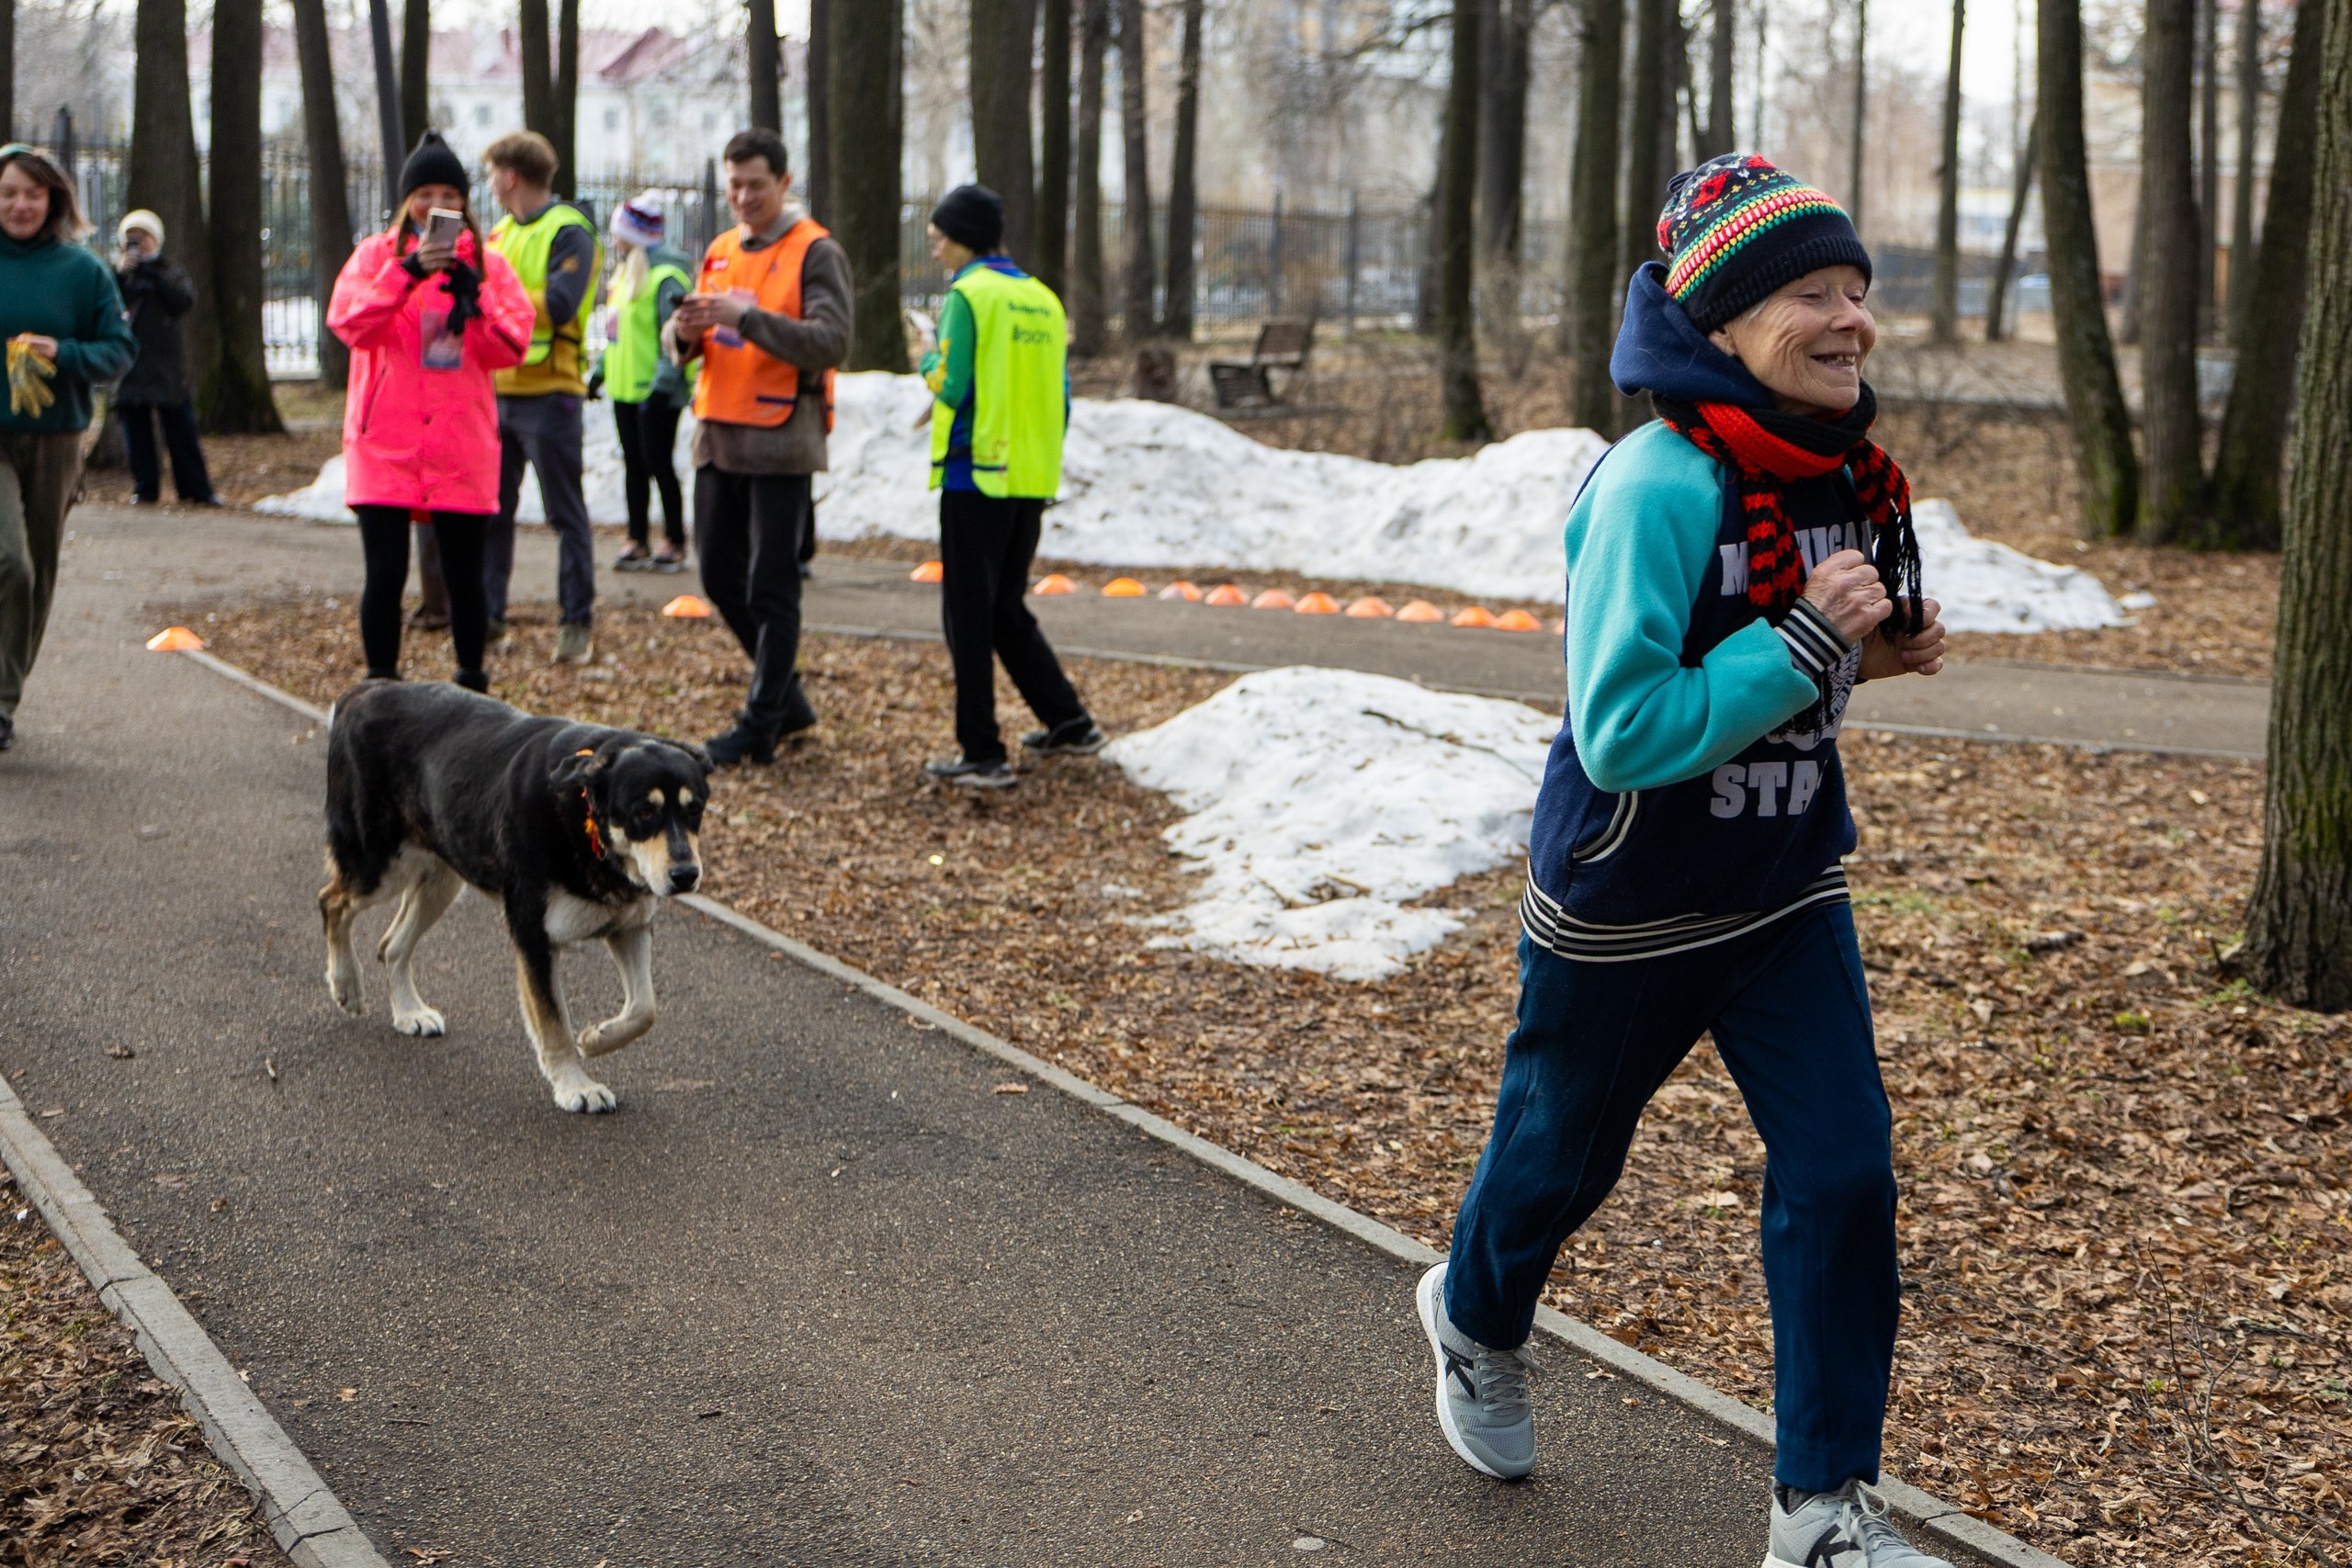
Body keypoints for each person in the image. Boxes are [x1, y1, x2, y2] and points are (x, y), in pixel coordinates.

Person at [1414, 153, 1956, 1568]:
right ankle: (1471, 1315)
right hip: (1629, 901)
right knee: (1556, 1160)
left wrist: (1869, 659)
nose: (1852, 320)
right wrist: (1805, 645)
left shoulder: (1835, 467)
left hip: (1784, 886)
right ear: (1719, 321)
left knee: (1844, 1176)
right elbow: (1628, 725)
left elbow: (1793, 682)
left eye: (1858, 290)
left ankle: (1822, 1512)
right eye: (1811, 295)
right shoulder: (1654, 485)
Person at [325, 130, 534, 695]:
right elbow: (349, 325)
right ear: (406, 198)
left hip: (459, 445)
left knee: (466, 578)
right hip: (383, 445)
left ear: (465, 200)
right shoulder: (374, 256)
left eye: (449, 191)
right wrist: (407, 273)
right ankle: (381, 692)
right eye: (424, 192)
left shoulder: (490, 266)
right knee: (386, 574)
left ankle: (471, 691)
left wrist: (477, 295)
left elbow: (512, 347)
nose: (436, 203)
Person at [667, 128, 851, 765]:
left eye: (756, 186)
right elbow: (691, 339)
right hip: (718, 435)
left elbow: (831, 341)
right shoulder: (719, 249)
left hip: (780, 442)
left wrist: (741, 317)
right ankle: (788, 702)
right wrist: (684, 332)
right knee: (719, 576)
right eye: (734, 186)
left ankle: (762, 721)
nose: (743, 197)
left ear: (785, 184)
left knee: (772, 587)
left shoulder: (814, 251)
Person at [916, 184, 1102, 791]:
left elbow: (952, 384)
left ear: (964, 235)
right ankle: (1068, 720)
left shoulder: (968, 296)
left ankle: (981, 750)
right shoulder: (1041, 298)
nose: (934, 241)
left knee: (969, 616)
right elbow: (1061, 395)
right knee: (1004, 609)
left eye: (940, 232)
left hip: (976, 474)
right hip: (1028, 473)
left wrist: (924, 358)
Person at [0, 143, 135, 754]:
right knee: (12, 564)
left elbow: (119, 350)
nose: (20, 204)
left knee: (41, 571)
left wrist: (67, 353)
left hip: (56, 441)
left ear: (54, 199)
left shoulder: (83, 272)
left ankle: (4, 694)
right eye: (8, 193)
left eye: (32, 193)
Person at [481, 130, 603, 663]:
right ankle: (486, 620)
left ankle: (576, 625)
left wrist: (491, 294)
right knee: (491, 512)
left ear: (510, 177)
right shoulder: (498, 235)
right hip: (497, 391)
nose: (488, 184)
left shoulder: (570, 230)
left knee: (564, 514)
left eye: (491, 174)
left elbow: (559, 303)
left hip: (551, 393)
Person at [598, 192, 692, 573]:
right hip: (625, 389)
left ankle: (675, 540)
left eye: (620, 232)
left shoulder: (666, 277)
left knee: (659, 464)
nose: (614, 239)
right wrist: (600, 371)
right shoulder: (624, 275)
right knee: (634, 465)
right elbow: (616, 333)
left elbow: (677, 336)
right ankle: (637, 538)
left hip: (655, 391)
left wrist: (665, 382)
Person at [111, 209, 220, 508]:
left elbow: (183, 301)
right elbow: (106, 304)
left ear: (156, 239)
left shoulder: (169, 270)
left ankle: (196, 489)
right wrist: (121, 273)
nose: (138, 242)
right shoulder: (118, 274)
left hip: (166, 363)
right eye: (132, 236)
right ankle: (146, 488)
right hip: (130, 362)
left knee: (181, 428)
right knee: (137, 432)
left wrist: (155, 274)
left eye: (144, 236)